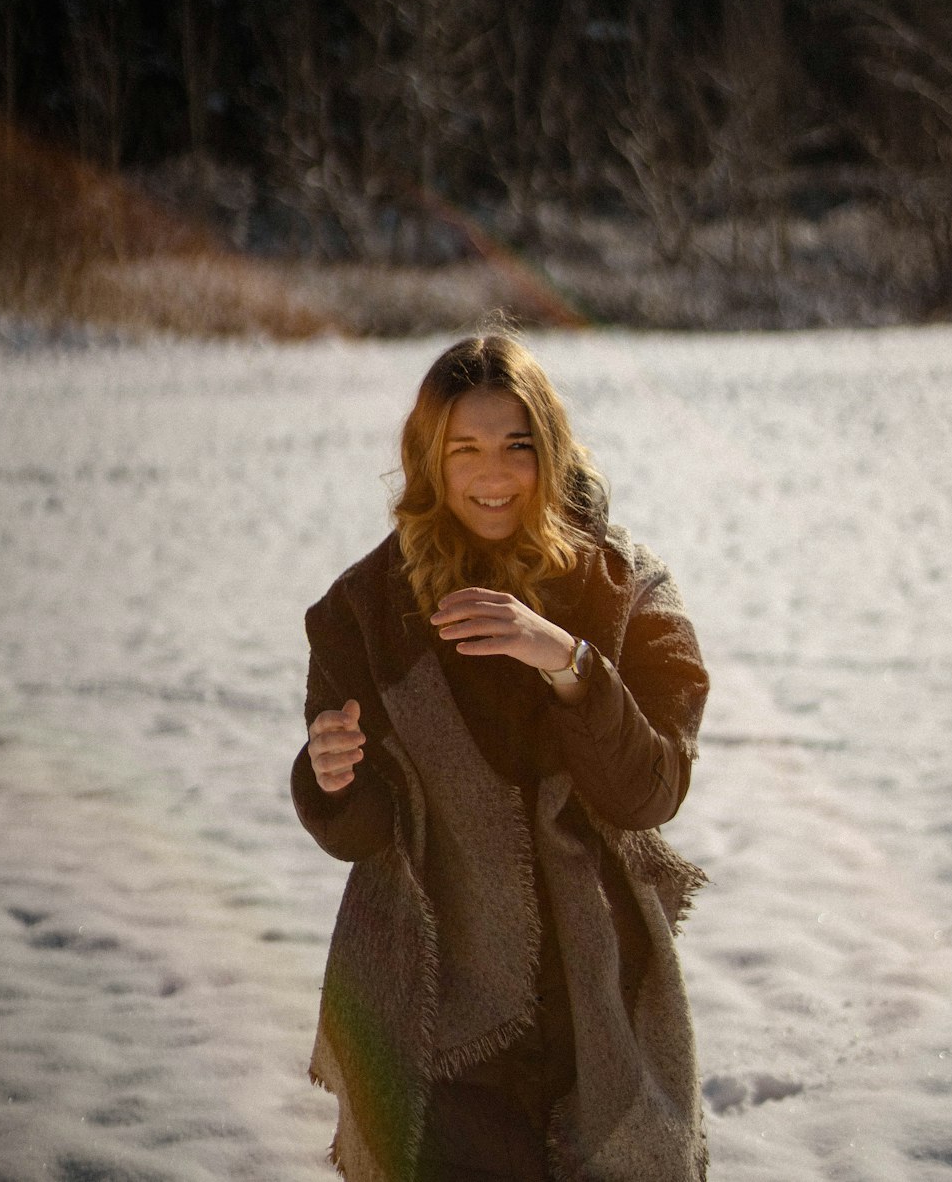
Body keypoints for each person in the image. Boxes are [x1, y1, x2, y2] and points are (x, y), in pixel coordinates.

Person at [291, 333, 710, 1182]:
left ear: (549, 451)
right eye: (465, 450)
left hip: (601, 1001)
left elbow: (651, 791)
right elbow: (366, 831)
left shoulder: (629, 592)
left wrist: (568, 661)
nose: (493, 474)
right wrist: (328, 780)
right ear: (428, 461)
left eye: (517, 446)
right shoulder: (363, 611)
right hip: (439, 1006)